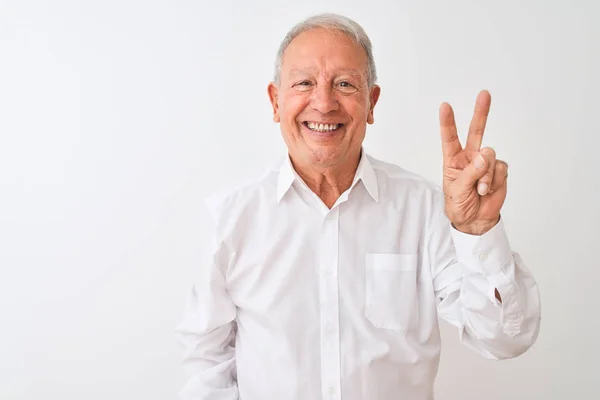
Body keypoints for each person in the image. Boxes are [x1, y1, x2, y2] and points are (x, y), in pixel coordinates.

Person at [175, 13, 541, 400]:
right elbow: (208, 362)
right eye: (304, 83)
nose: (324, 102)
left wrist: (477, 231)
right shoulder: (231, 217)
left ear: (371, 102)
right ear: (275, 100)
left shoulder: (424, 210)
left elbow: (505, 339)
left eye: (345, 84)